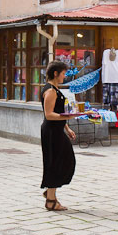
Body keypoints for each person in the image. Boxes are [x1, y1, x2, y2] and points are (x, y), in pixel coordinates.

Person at [40, 61, 76, 211]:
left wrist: (67, 127)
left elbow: (57, 112)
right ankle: (51, 200)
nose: (64, 76)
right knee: (55, 163)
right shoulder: (50, 91)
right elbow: (49, 115)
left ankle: (50, 192)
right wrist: (69, 117)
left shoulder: (55, 89)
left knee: (66, 161)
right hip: (51, 132)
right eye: (63, 73)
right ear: (55, 73)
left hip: (57, 130)